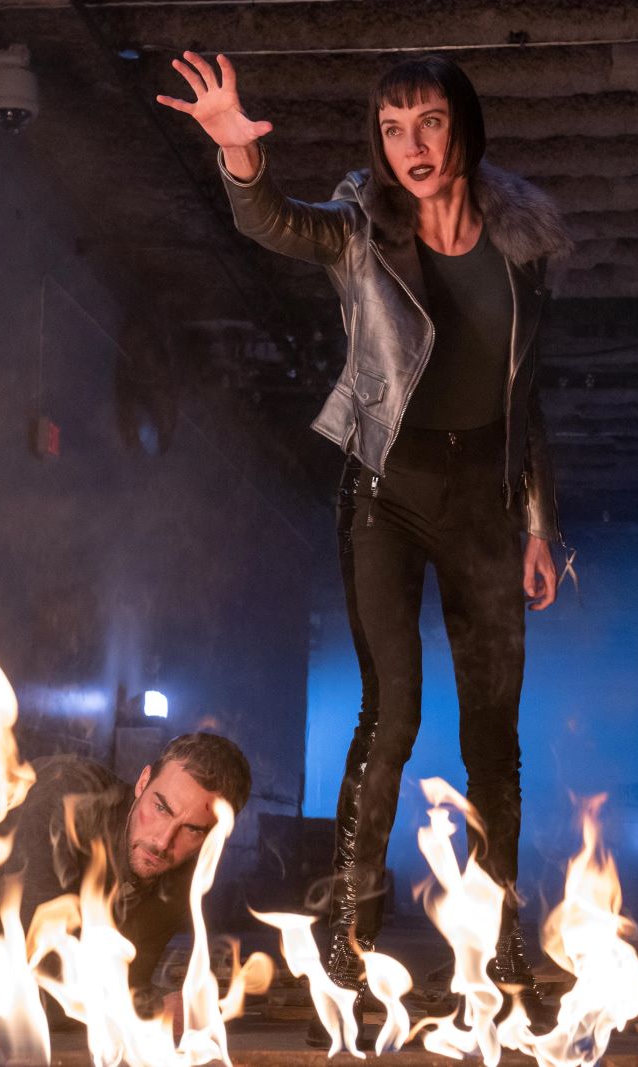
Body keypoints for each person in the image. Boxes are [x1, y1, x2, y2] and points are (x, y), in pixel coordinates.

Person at [157, 52, 568, 1036]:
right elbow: (275, 223)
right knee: (392, 710)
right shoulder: (361, 226)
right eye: (391, 129)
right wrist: (238, 156)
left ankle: (501, 940)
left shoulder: (520, 245)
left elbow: (527, 402)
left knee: (493, 729)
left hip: (484, 500)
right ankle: (348, 929)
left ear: (463, 127)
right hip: (387, 489)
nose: (411, 146)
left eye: (429, 123)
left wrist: (538, 526)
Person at [0, 731, 252, 1020]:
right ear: (143, 782)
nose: (163, 841)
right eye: (161, 808)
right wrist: (152, 1009)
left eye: (192, 829)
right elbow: (44, 975)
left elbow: (130, 980)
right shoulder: (65, 800)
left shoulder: (184, 878)